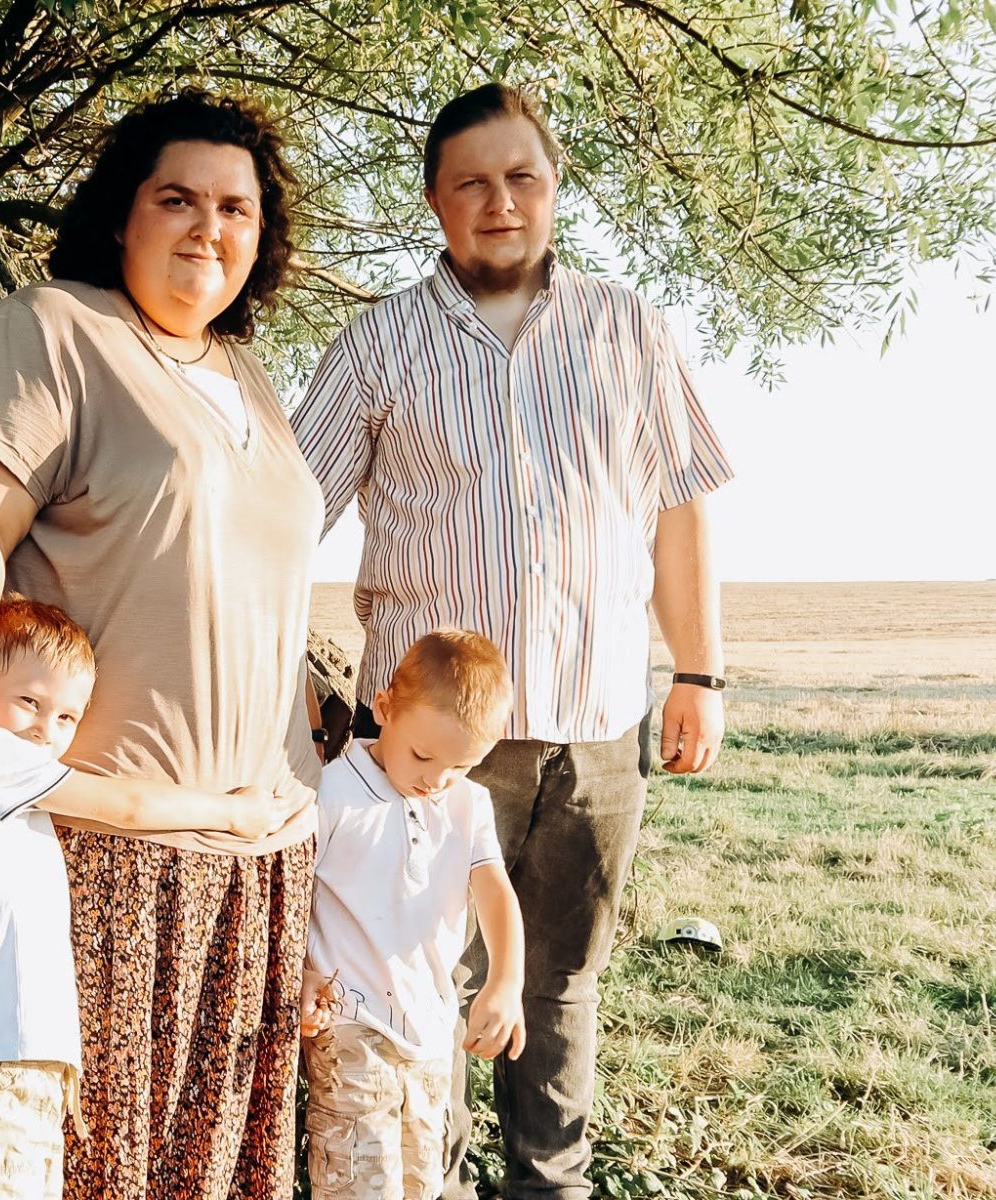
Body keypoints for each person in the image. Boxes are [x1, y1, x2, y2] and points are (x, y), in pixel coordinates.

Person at [292, 82, 735, 1200]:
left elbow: (679, 506)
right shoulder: (378, 343)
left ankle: (551, 1184)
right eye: (472, 183)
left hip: (596, 728)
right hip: (428, 750)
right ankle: (426, 1182)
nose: (500, 201)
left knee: (560, 981)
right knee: (414, 974)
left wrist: (698, 671)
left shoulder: (627, 328)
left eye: (521, 177)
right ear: (435, 201)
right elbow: (286, 515)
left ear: (554, 185)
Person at [0, 89, 323, 1199]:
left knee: (217, 1172)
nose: (208, 228)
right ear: (121, 215)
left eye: (235, 209)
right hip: (103, 847)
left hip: (262, 849)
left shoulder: (249, 378)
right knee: (102, 1166)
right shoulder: (54, 330)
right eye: (177, 199)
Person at [0, 596, 303, 1200]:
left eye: (67, 717)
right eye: (29, 702)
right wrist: (234, 814)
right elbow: (127, 807)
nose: (45, 729)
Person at [301, 630, 526, 1200]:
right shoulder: (333, 792)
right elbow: (295, 893)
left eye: (460, 765)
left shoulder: (467, 803)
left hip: (429, 1028)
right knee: (357, 1185)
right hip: (349, 1023)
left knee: (420, 1182)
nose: (435, 780)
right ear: (384, 708)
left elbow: (494, 889)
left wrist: (506, 981)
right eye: (423, 756)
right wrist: (301, 972)